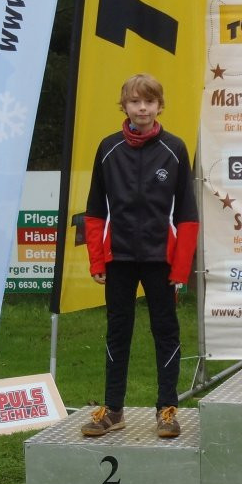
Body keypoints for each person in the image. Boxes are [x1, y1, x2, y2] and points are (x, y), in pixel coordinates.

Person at [80, 73, 198, 439]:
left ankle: (167, 408)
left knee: (166, 331)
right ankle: (113, 410)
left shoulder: (175, 148)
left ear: (160, 106)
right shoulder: (108, 148)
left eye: (149, 101)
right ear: (124, 106)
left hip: (161, 259)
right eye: (135, 101)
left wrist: (181, 267)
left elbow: (188, 215)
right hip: (119, 259)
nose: (142, 108)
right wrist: (97, 259)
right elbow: (95, 210)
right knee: (118, 332)